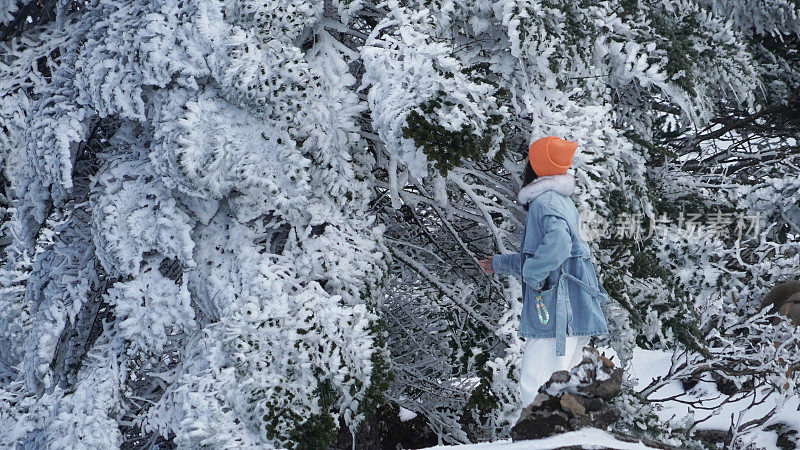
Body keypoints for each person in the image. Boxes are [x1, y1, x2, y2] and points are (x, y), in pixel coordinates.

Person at [478, 136, 610, 407]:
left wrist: (534, 277)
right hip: (575, 307)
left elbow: (558, 246)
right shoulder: (561, 201)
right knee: (566, 386)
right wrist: (501, 264)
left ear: (537, 166)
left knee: (536, 383)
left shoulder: (545, 202)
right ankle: (559, 436)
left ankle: (535, 437)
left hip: (555, 311)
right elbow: (555, 256)